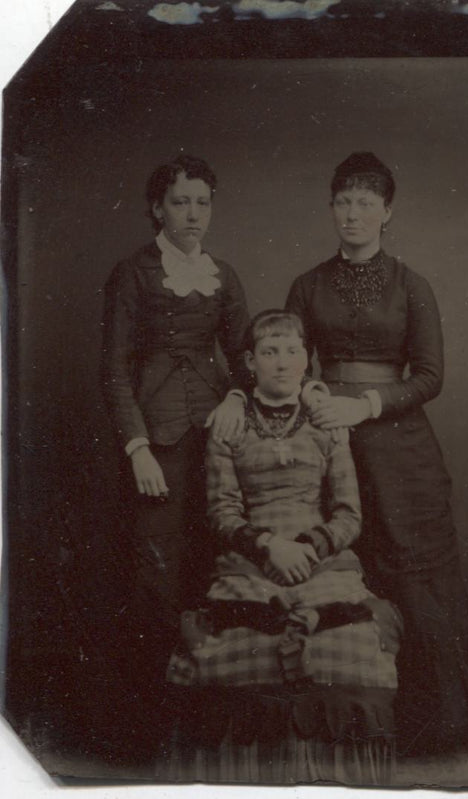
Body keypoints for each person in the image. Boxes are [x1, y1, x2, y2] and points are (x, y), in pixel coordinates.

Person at [285, 151, 468, 756]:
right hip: (325, 440)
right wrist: (314, 390)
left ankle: (439, 726)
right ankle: (357, 724)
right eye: (343, 202)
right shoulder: (307, 284)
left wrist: (367, 405)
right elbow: (287, 358)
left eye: (366, 203)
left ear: (387, 212)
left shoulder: (411, 284)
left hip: (399, 448)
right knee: (346, 566)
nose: (353, 214)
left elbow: (429, 377)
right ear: (332, 208)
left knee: (413, 568)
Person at [165, 311, 402, 784]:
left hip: (323, 558)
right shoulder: (229, 425)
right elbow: (222, 512)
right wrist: (269, 546)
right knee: (235, 645)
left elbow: (349, 514)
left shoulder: (327, 422)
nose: (282, 362)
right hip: (250, 558)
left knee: (349, 641)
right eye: (270, 352)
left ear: (306, 359)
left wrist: (308, 548)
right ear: (250, 362)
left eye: (292, 350)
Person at [100, 154, 250, 757]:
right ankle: (146, 735)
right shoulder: (133, 273)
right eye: (181, 202)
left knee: (212, 572)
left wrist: (237, 393)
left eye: (202, 202)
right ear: (157, 208)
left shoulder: (224, 275)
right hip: (155, 445)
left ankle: (207, 729)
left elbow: (245, 352)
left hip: (213, 440)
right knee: (155, 581)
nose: (193, 214)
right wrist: (136, 445)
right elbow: (113, 370)